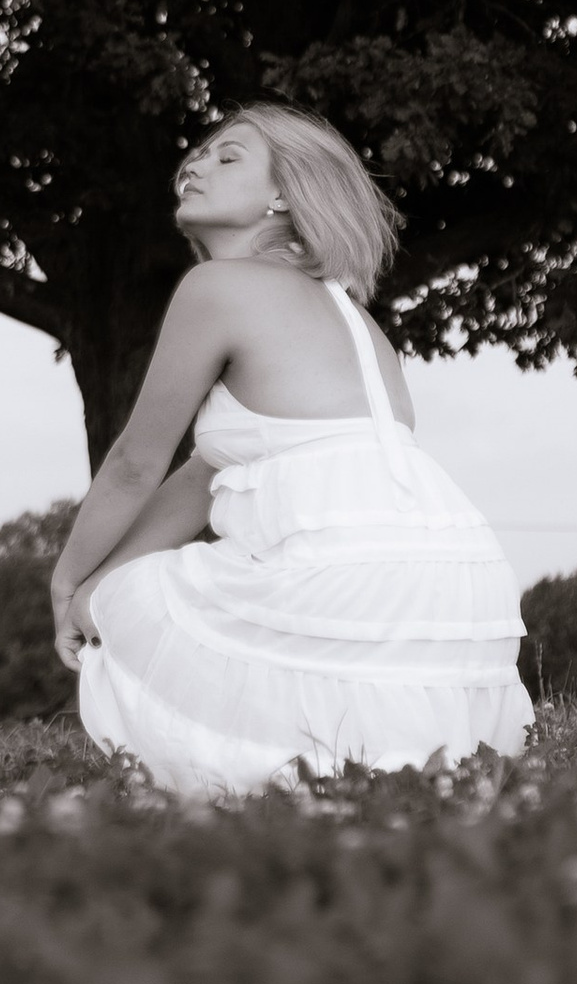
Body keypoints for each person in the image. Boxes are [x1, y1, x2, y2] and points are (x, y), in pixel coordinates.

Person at [53, 103, 533, 798]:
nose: (194, 164)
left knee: (143, 620)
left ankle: (267, 783)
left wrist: (67, 581)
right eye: (197, 153)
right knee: (126, 599)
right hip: (453, 603)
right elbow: (203, 474)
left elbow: (134, 463)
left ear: (281, 196)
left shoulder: (216, 287)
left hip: (351, 588)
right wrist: (99, 592)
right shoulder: (354, 316)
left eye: (228, 156)